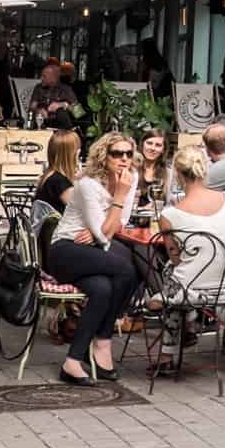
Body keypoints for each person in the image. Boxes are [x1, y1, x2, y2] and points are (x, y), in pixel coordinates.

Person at [42, 132, 142, 385]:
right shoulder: (88, 184)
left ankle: (73, 361)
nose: (124, 159)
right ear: (103, 156)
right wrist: (118, 197)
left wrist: (104, 227)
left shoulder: (131, 179)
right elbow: (105, 233)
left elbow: (119, 224)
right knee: (127, 270)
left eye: (128, 154)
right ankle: (103, 341)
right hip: (65, 249)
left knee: (102, 289)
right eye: (117, 154)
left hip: (94, 252)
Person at [157, 144, 225, 305]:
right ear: (206, 169)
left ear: (176, 173)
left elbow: (176, 260)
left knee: (166, 270)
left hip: (189, 289)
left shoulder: (168, 215)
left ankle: (185, 323)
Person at [36, 129, 82, 213]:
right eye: (77, 150)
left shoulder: (49, 176)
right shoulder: (59, 182)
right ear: (71, 154)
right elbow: (81, 209)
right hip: (60, 226)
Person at [28, 61, 79, 130]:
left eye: (44, 76)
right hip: (42, 125)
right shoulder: (38, 88)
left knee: (61, 113)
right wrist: (38, 110)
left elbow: (79, 112)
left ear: (53, 77)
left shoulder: (66, 90)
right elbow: (31, 107)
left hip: (60, 129)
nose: (41, 79)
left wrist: (64, 105)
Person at [135, 129, 173, 204]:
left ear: (163, 150)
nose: (152, 148)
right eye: (149, 143)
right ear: (142, 144)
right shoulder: (132, 169)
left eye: (158, 145)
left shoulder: (169, 173)